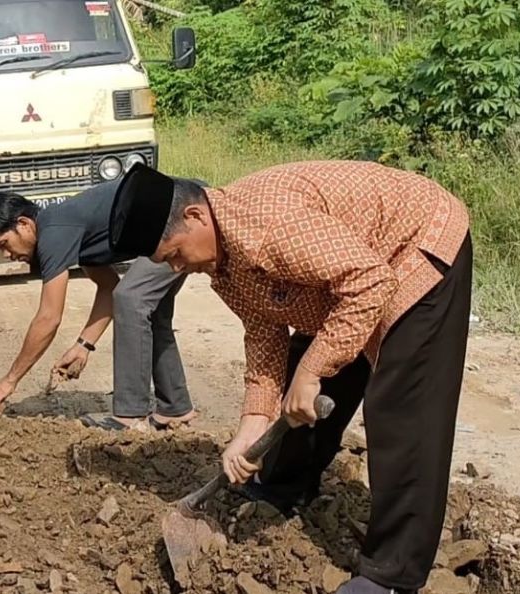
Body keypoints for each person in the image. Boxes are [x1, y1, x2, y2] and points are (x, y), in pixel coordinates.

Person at [109, 161, 471, 594]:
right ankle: (283, 486)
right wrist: (251, 425)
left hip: (415, 247)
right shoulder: (222, 261)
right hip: (353, 280)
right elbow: (264, 333)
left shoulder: (270, 228)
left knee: (400, 408)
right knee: (301, 368)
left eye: (174, 255)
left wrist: (313, 369)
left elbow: (371, 282)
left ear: (195, 216)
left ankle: (393, 576)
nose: (176, 269)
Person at [0, 180, 199, 431]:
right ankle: (175, 409)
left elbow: (48, 318)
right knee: (147, 309)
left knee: (132, 298)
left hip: (182, 214)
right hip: (177, 215)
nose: (6, 255)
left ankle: (130, 417)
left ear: (24, 225)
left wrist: (9, 380)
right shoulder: (70, 231)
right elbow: (108, 287)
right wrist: (83, 345)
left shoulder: (52, 233)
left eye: (3, 243)